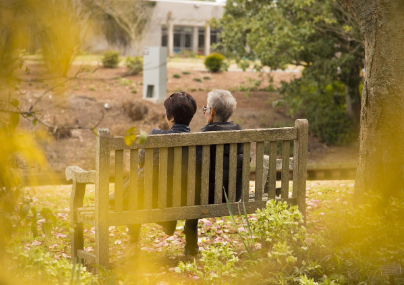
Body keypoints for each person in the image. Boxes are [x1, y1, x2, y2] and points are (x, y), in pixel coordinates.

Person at [109, 91, 197, 252]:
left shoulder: (156, 136)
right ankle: (176, 229)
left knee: (136, 181)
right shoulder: (199, 142)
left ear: (170, 118)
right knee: (137, 179)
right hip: (185, 198)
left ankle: (133, 242)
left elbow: (142, 162)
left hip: (152, 198)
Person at [185, 89, 245, 256]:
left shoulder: (203, 136)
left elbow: (195, 167)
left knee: (192, 199)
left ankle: (191, 248)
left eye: (206, 108)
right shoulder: (241, 133)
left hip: (206, 197)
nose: (205, 111)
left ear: (211, 111)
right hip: (233, 195)